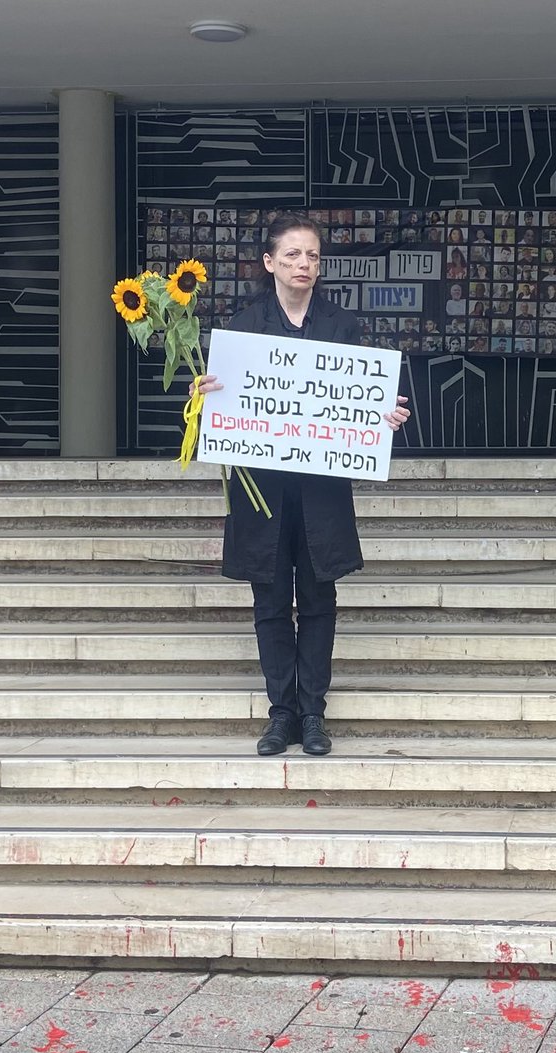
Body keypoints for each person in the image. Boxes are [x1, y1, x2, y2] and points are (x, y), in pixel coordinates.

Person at [195, 213, 411, 758]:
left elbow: (357, 403)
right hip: (262, 491)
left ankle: (313, 713)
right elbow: (222, 409)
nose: (304, 264)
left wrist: (380, 418)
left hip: (321, 492)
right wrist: (207, 396)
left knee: (318, 598)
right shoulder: (243, 330)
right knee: (269, 601)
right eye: (292, 254)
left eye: (312, 256)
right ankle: (280, 713)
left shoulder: (344, 326)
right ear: (269, 262)